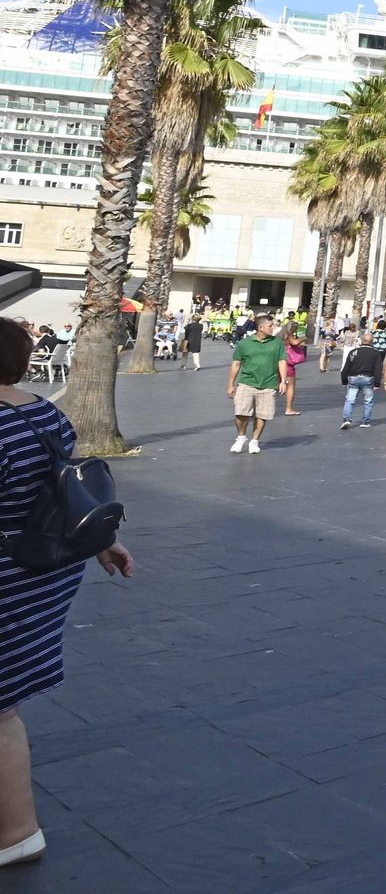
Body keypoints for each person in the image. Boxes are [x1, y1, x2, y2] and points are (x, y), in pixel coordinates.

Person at [0, 321, 136, 869]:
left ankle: (15, 832)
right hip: (46, 571)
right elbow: (65, 488)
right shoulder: (43, 411)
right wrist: (107, 542)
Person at [226, 314, 283, 454]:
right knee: (240, 413)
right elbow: (236, 363)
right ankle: (241, 437)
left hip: (268, 384)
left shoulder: (277, 343)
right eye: (270, 326)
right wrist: (230, 384)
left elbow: (282, 361)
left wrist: (284, 381)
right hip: (246, 382)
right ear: (260, 328)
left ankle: (254, 441)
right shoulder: (245, 343)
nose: (273, 328)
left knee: (262, 415)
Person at [338, 336, 383, 430]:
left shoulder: (353, 352)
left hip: (353, 377)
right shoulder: (376, 353)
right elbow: (378, 369)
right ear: (372, 342)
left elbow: (346, 368)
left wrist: (344, 381)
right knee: (368, 400)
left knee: (350, 400)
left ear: (362, 341)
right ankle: (365, 421)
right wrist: (377, 383)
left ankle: (346, 419)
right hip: (368, 378)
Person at [281, 327, 308, 415]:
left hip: (277, 362)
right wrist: (303, 338)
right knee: (290, 387)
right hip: (287, 364)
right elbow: (295, 342)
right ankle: (288, 409)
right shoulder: (289, 336)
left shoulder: (279, 336)